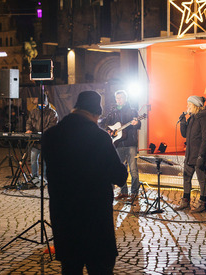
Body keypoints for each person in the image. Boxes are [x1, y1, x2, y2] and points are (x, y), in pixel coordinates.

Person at [42, 90, 128, 274]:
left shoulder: (50, 136)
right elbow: (119, 177)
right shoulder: (100, 138)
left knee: (70, 269)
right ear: (95, 113)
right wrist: (122, 164)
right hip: (94, 223)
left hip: (64, 220)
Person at [100, 90, 141, 201]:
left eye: (121, 98)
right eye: (117, 98)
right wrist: (110, 131)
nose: (119, 100)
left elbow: (139, 124)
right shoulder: (113, 112)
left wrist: (137, 123)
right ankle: (124, 192)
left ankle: (134, 193)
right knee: (121, 169)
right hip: (118, 144)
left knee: (133, 170)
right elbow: (106, 125)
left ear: (125, 98)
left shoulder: (132, 111)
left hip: (130, 144)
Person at [176, 95, 206, 213]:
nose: (187, 107)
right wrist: (182, 122)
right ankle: (185, 201)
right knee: (186, 178)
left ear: (196, 106)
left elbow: (205, 139)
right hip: (190, 154)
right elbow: (185, 134)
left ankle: (202, 203)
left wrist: (201, 156)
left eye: (189, 105)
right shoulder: (191, 118)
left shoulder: (204, 118)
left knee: (201, 179)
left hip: (199, 154)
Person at [25, 94, 58, 186]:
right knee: (33, 159)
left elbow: (53, 126)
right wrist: (28, 129)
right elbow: (29, 122)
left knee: (45, 161)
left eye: (43, 105)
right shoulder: (33, 112)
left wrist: (43, 133)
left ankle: (44, 178)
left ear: (46, 103)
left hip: (47, 142)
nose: (41, 107)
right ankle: (34, 177)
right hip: (35, 142)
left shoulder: (52, 113)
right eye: (39, 105)